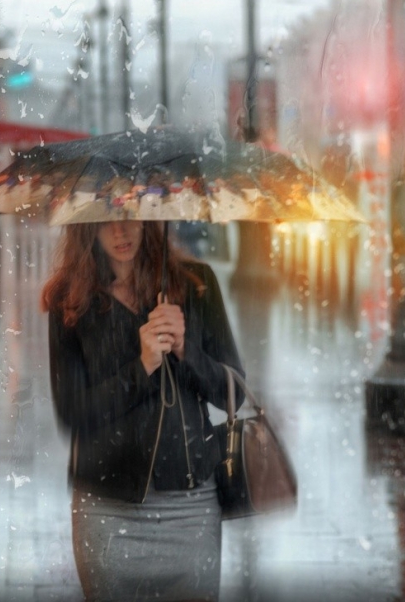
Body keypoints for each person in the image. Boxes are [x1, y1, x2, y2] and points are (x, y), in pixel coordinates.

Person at [40, 220, 245, 602]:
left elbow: (233, 392)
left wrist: (187, 351)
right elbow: (73, 413)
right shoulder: (70, 301)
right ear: (87, 227)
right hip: (106, 508)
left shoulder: (196, 284)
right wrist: (143, 366)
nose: (121, 231)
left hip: (191, 505)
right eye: (107, 220)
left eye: (131, 215)